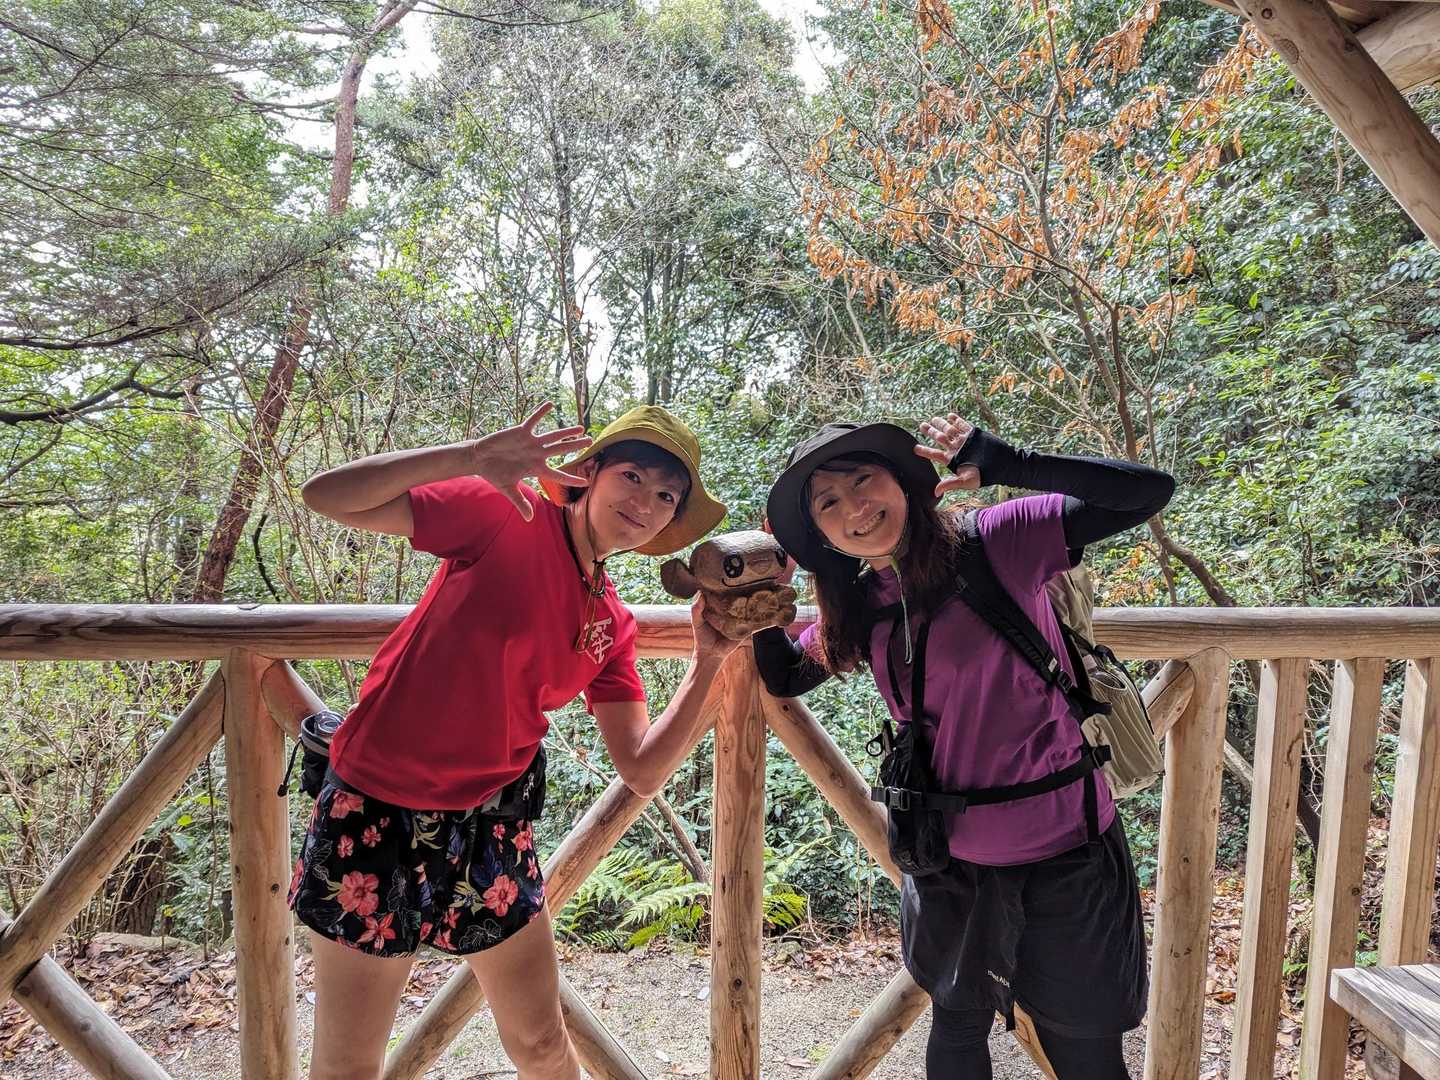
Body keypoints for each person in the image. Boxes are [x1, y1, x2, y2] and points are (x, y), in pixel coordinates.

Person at [289, 402, 738, 1080]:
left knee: (542, 1044)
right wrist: (470, 457)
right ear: (589, 473)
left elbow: (642, 768)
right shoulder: (507, 513)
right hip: (378, 813)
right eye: (633, 477)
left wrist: (709, 662)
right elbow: (326, 496)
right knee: (349, 1067)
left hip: (491, 829)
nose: (646, 503)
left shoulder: (612, 619)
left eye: (667, 496)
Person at [753, 412, 1174, 1080]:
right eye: (827, 503)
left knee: (1084, 1050)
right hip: (948, 864)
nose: (853, 508)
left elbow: (1146, 492)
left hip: (1067, 852)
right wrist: (754, 600)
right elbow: (785, 674)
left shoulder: (995, 541)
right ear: (821, 535)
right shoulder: (861, 603)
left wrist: (1009, 462)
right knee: (955, 1032)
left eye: (863, 481)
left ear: (903, 481)